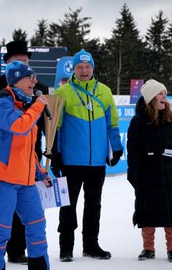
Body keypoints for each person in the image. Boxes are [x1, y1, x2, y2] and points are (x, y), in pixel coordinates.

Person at [0, 40, 48, 264]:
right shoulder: (3, 101)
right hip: (2, 177)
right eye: (30, 77)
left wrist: (39, 171)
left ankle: (27, 258)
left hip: (24, 177)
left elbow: (28, 145)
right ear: (15, 78)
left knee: (37, 224)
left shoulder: (28, 101)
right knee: (1, 228)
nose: (35, 82)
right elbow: (19, 127)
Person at [51, 49, 123, 262]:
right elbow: (55, 127)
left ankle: (91, 245)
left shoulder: (105, 92)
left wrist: (117, 147)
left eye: (87, 67)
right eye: (79, 67)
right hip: (71, 161)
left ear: (93, 68)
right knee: (68, 205)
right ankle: (66, 248)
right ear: (73, 69)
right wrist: (55, 153)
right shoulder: (63, 92)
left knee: (94, 205)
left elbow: (113, 124)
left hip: (96, 162)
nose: (83, 70)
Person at [126, 79, 172, 262]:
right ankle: (148, 249)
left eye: (165, 93)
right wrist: (134, 176)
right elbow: (132, 151)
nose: (164, 96)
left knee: (171, 214)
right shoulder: (138, 122)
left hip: (170, 174)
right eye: (160, 93)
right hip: (147, 175)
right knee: (147, 215)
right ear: (151, 98)